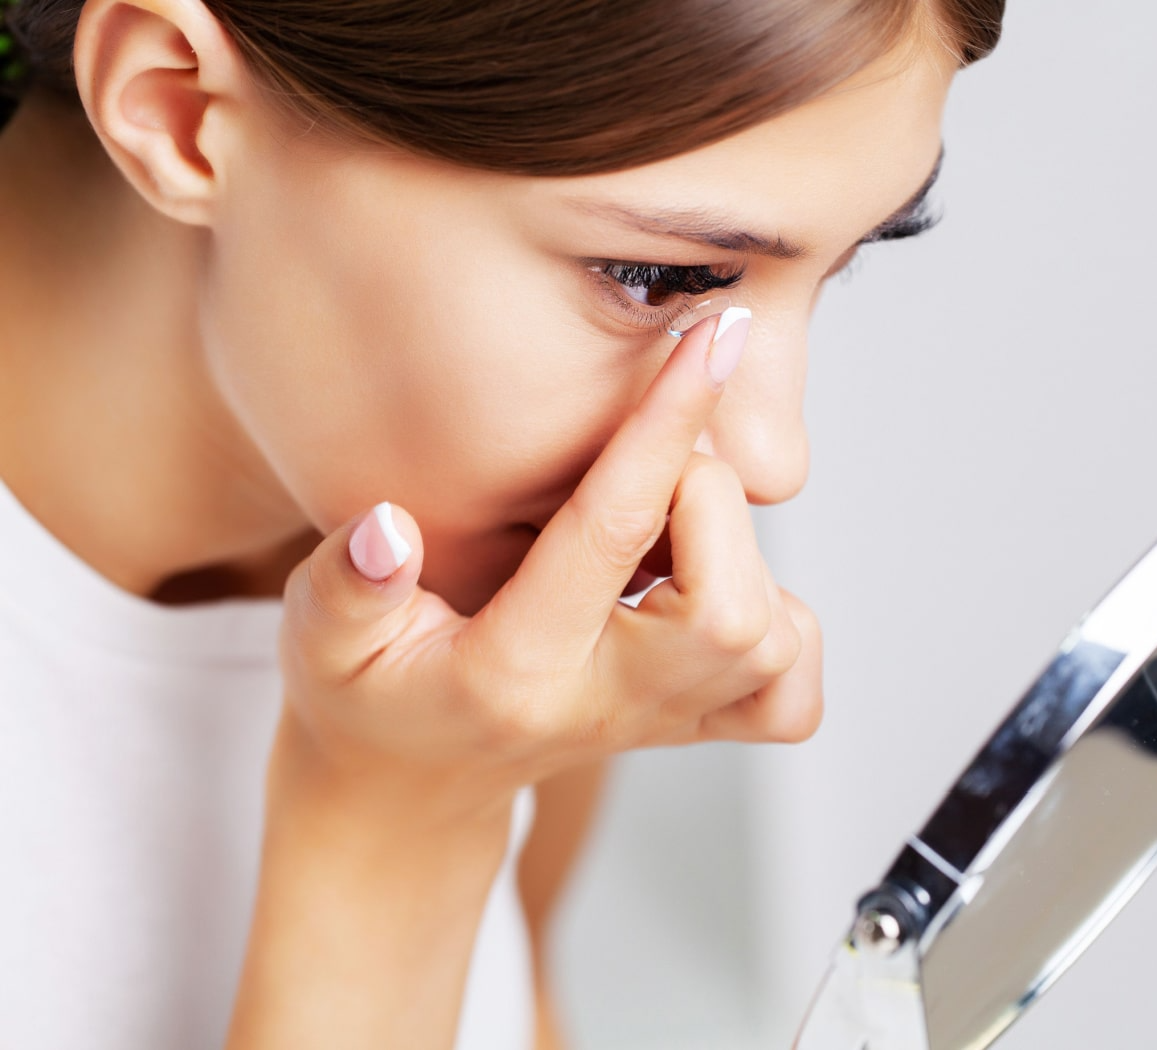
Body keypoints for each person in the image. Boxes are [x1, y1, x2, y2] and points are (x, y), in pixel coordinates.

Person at [0, 0, 1005, 1046]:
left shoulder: (482, 585)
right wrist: (398, 822)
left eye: (848, 260)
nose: (769, 459)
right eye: (655, 277)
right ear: (177, 110)